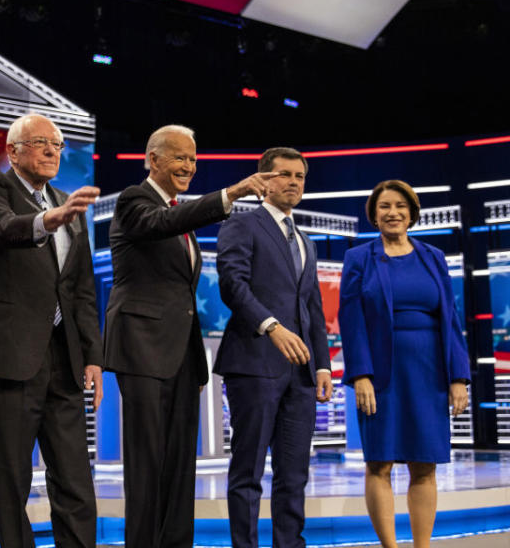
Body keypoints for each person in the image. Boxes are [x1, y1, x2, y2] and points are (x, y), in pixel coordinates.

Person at [102, 125, 277, 548]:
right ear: (153, 159)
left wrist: (195, 360)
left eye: (194, 159)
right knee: (146, 464)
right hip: (142, 349)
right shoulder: (134, 201)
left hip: (181, 357)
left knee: (181, 464)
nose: (188, 166)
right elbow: (162, 223)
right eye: (179, 157)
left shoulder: (181, 214)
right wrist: (230, 195)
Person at [0, 114, 102, 548]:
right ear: (13, 151)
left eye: (58, 145)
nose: (52, 151)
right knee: (12, 483)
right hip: (13, 359)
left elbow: (81, 289)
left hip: (65, 362)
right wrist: (48, 221)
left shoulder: (69, 203)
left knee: (76, 482)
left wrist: (94, 356)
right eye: (41, 142)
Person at [339, 180, 470, 548]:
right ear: (374, 214)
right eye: (384, 206)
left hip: (429, 373)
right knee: (380, 463)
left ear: (412, 212)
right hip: (381, 374)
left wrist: (458, 376)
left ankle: (422, 546)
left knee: (425, 464)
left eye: (400, 205)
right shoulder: (359, 258)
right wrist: (360, 374)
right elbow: (351, 320)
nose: (392, 212)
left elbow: (451, 319)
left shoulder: (433, 256)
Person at [214, 147, 333, 548]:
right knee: (247, 471)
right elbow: (233, 285)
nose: (294, 182)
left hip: (301, 373)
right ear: (263, 180)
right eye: (284, 175)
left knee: (294, 473)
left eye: (300, 176)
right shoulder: (242, 225)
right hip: (253, 362)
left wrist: (323, 367)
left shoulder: (306, 242)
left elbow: (313, 308)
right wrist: (272, 327)